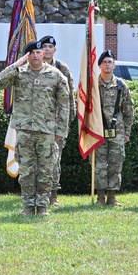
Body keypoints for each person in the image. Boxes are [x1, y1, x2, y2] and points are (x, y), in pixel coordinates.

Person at [0, 38, 70, 216]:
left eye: (38, 52)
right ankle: (28, 205)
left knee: (45, 170)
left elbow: (64, 105)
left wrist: (61, 131)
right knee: (27, 170)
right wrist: (16, 65)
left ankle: (42, 205)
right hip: (24, 129)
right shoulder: (19, 73)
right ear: (27, 56)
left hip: (47, 130)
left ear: (43, 54)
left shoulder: (56, 75)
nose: (36, 55)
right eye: (32, 53)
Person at [94, 50, 135, 206]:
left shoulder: (120, 85)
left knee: (115, 164)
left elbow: (128, 110)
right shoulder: (93, 86)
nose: (107, 64)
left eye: (110, 62)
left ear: (114, 65)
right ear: (99, 65)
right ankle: (100, 196)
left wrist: (127, 133)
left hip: (117, 131)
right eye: (104, 62)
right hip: (98, 131)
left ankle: (112, 196)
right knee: (99, 165)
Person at [39, 34, 76, 206]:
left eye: (50, 47)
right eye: (44, 46)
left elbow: (70, 98)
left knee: (55, 160)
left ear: (55, 49)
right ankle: (36, 193)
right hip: (37, 122)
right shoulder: (33, 66)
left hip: (56, 123)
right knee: (36, 160)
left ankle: (52, 194)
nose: (47, 50)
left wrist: (67, 123)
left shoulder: (62, 68)